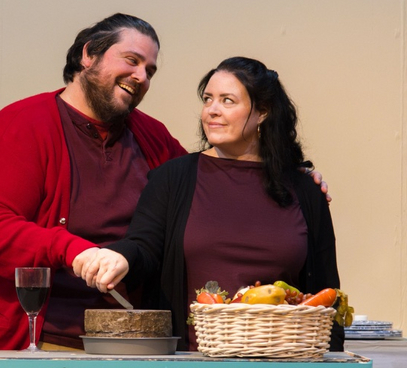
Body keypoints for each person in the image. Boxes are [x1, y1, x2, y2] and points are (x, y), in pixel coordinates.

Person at [0, 14, 330, 351]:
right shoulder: (23, 124)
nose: (141, 76)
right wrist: (75, 252)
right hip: (30, 338)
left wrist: (293, 180)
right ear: (88, 54)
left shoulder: (152, 137)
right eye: (132, 60)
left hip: (125, 340)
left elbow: (215, 181)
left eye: (150, 70)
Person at [74, 56, 344, 352]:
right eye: (208, 99)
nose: (212, 111)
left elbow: (327, 295)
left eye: (228, 101)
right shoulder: (173, 178)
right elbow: (144, 246)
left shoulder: (304, 189)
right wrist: (119, 257)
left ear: (263, 112)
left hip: (285, 365)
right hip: (191, 366)